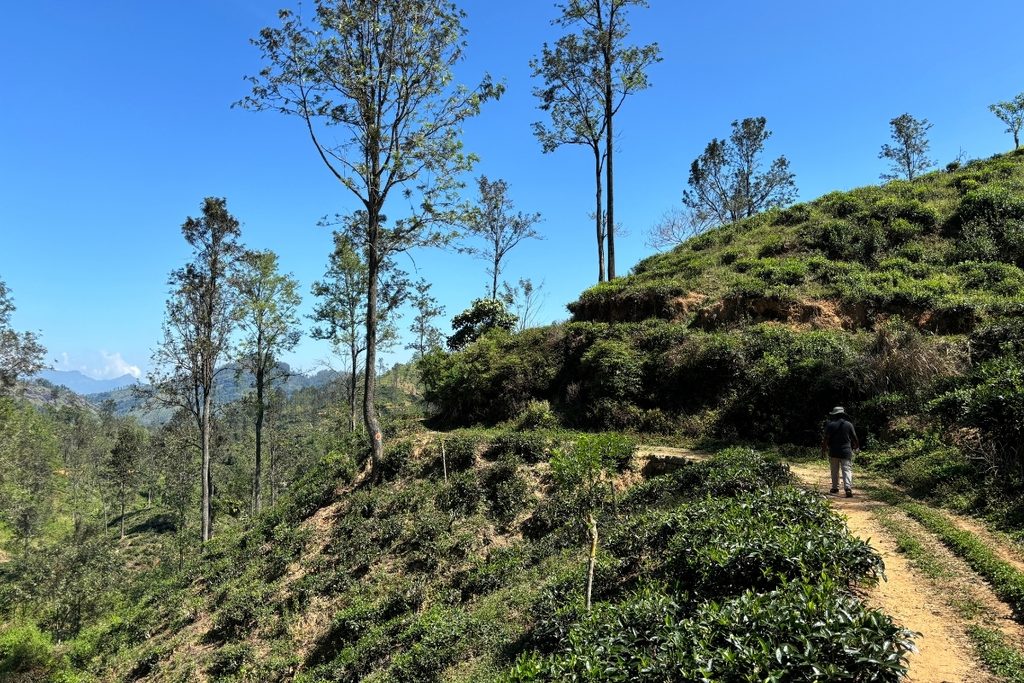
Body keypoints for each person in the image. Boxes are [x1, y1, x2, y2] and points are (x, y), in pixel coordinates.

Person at [822, 406, 859, 497]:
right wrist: (856, 446)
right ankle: (848, 488)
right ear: (843, 414)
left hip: (834, 451)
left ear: (834, 415)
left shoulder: (830, 425)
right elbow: (854, 437)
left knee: (834, 470)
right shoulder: (849, 424)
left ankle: (835, 488)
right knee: (846, 470)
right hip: (846, 451)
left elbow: (826, 439)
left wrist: (824, 450)